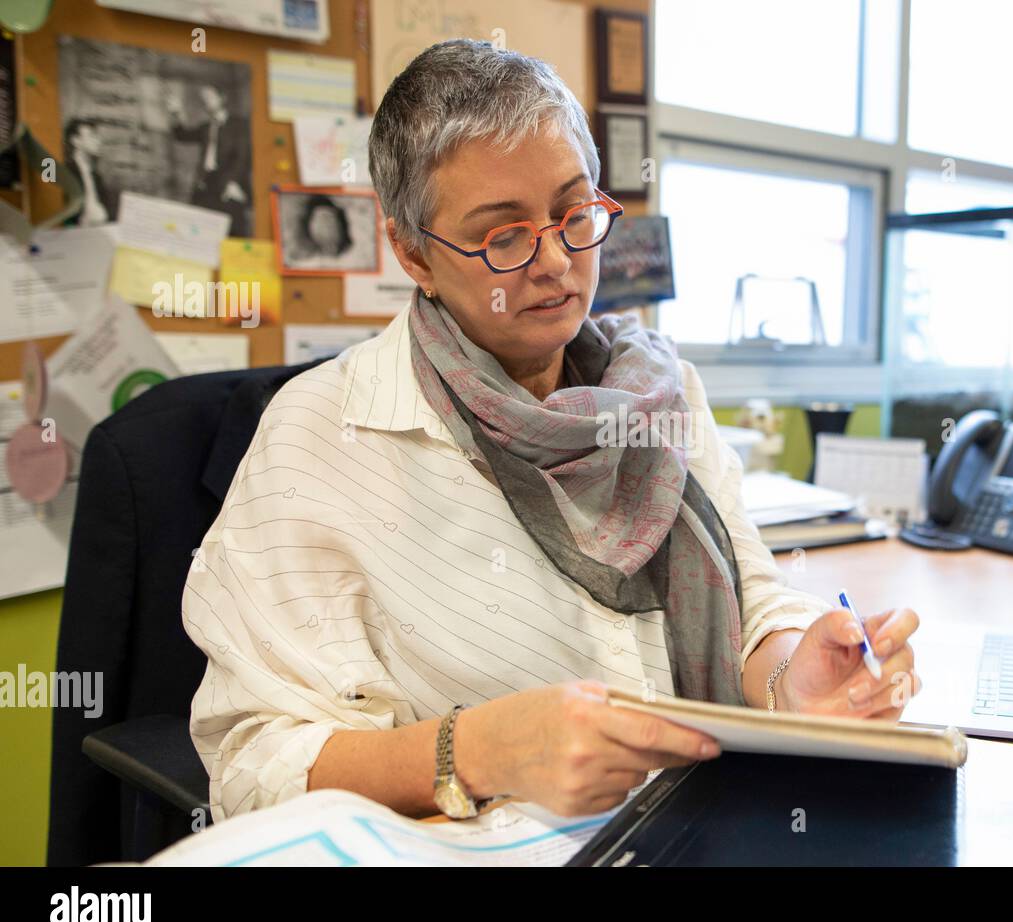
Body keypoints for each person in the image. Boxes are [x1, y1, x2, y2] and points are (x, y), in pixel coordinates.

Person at [183, 39, 921, 823]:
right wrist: (476, 751)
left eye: (574, 213)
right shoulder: (325, 433)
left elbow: (750, 606)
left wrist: (790, 681)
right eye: (504, 237)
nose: (555, 263)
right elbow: (254, 764)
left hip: (692, 816)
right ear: (412, 252)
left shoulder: (658, 392)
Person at [167, 82, 251, 235]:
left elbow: (242, 157)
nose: (205, 101)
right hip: (205, 184)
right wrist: (176, 112)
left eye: (210, 96)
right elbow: (182, 135)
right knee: (199, 231)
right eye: (203, 98)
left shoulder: (240, 125)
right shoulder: (205, 127)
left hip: (227, 186)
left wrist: (232, 182)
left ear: (222, 98)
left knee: (231, 234)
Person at [64, 118, 116, 225]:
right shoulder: (65, 172)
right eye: (92, 136)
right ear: (76, 141)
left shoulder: (96, 176)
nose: (98, 141)